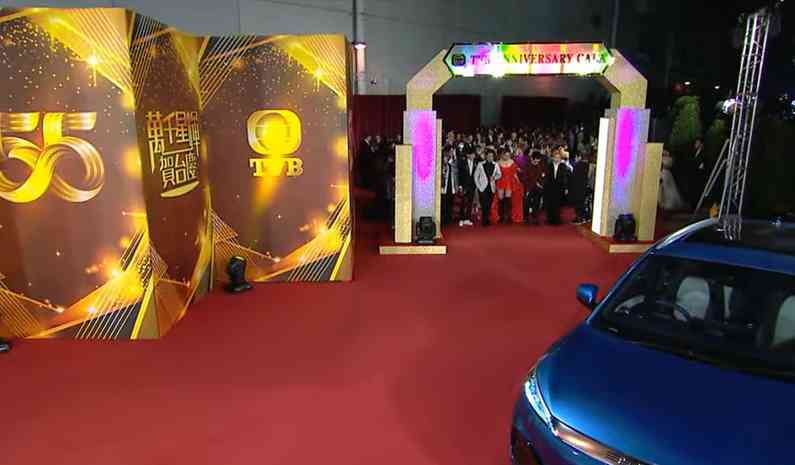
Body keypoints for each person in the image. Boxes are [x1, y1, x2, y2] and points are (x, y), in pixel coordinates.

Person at [494, 148, 523, 224]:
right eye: (505, 155)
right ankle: (501, 216)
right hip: (500, 181)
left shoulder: (512, 162)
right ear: (502, 155)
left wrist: (518, 181)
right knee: (501, 199)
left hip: (509, 182)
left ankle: (508, 216)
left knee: (508, 199)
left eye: (508, 155)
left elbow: (515, 173)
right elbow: (495, 173)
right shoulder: (498, 163)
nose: (507, 157)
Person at [474, 148, 501, 226]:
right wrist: (478, 186)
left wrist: (494, 177)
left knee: (489, 204)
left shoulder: (496, 164)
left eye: (491, 156)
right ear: (486, 156)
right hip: (482, 187)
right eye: (489, 156)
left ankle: (486, 218)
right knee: (483, 203)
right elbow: (476, 176)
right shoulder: (480, 164)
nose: (490, 157)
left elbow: (499, 174)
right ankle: (484, 219)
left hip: (491, 187)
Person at [544, 148, 570, 225]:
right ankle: (550, 218)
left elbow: (565, 177)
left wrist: (566, 188)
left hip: (559, 186)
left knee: (558, 203)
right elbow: (546, 177)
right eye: (555, 157)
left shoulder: (563, 166)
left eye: (558, 158)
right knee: (550, 203)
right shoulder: (549, 165)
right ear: (553, 158)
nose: (557, 159)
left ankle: (557, 219)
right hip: (550, 186)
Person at [457, 148, 477, 227]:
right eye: (472, 154)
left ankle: (468, 219)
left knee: (470, 202)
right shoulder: (463, 162)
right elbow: (460, 174)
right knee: (463, 202)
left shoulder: (475, 163)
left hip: (472, 186)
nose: (473, 156)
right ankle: (461, 219)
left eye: (474, 154)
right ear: (468, 155)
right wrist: (460, 185)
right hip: (464, 185)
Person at [525, 151, 546, 225]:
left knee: (536, 202)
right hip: (529, 187)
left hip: (538, 188)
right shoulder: (527, 166)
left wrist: (541, 184)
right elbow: (526, 178)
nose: (537, 162)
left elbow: (543, 176)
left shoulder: (540, 165)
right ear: (532, 159)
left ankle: (535, 217)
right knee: (527, 202)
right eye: (535, 161)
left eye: (538, 161)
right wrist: (536, 183)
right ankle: (526, 217)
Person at [569, 152, 591, 224]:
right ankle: (586, 217)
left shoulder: (577, 166)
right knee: (583, 204)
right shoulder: (588, 166)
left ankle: (579, 218)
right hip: (585, 188)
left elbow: (573, 178)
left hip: (577, 188)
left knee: (578, 204)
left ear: (579, 157)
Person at [440, 147, 458, 226]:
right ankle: (443, 219)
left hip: (451, 186)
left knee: (450, 203)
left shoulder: (453, 163)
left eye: (452, 152)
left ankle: (448, 219)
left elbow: (456, 173)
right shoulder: (442, 162)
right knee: (443, 204)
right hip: (443, 187)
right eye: (450, 152)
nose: (451, 153)